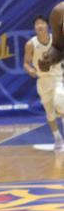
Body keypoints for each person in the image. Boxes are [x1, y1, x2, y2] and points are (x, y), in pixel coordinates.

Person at [24, 14, 64, 152]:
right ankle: (57, 137)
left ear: (47, 25)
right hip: (42, 81)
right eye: (37, 24)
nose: (39, 25)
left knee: (60, 102)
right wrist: (30, 70)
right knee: (50, 114)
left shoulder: (56, 41)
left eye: (42, 23)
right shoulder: (30, 44)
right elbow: (26, 63)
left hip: (58, 78)